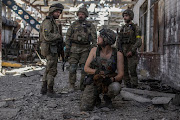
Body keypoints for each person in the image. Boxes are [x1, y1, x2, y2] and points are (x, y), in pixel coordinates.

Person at [80, 28, 124, 111]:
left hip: (108, 81)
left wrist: (111, 79)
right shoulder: (94, 50)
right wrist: (97, 72)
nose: (98, 38)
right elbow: (86, 68)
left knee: (116, 87)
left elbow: (121, 74)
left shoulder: (118, 54)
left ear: (106, 40)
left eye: (100, 37)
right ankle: (96, 98)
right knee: (85, 107)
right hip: (95, 80)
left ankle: (107, 98)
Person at [65, 7, 97, 91]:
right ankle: (72, 85)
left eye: (82, 14)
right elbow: (68, 36)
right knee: (72, 67)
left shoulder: (90, 26)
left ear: (85, 15)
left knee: (84, 68)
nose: (81, 16)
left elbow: (94, 39)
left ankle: (82, 85)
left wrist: (94, 50)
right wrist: (67, 47)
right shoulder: (73, 25)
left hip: (85, 49)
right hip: (74, 49)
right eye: (79, 14)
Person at [39, 3, 64, 97]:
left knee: (48, 68)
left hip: (51, 48)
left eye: (59, 12)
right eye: (57, 12)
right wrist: (58, 36)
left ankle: (44, 89)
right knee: (52, 70)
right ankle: (50, 90)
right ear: (52, 11)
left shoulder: (52, 21)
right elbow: (47, 36)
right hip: (50, 48)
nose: (59, 14)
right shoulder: (48, 22)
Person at [117, 9, 142, 88]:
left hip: (131, 52)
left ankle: (134, 85)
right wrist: (119, 50)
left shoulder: (135, 28)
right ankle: (127, 85)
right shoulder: (122, 28)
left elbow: (139, 41)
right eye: (124, 16)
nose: (124, 18)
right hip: (123, 52)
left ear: (131, 17)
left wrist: (132, 50)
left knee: (132, 70)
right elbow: (119, 40)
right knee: (124, 70)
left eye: (126, 16)